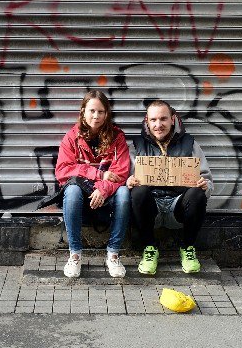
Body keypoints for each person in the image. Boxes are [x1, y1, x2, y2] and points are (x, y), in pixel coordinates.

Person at [126, 100, 214, 274]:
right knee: (138, 192)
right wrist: (128, 182)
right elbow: (125, 179)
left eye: (163, 119)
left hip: (178, 206)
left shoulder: (190, 144)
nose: (158, 125)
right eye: (153, 120)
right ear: (147, 121)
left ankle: (188, 248)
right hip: (152, 209)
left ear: (172, 119)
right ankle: (149, 248)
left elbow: (207, 179)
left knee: (197, 193)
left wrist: (205, 186)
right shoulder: (136, 146)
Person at [55, 90, 131, 278]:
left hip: (107, 194)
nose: (96, 116)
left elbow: (121, 173)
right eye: (92, 111)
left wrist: (102, 189)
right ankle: (75, 255)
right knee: (71, 191)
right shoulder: (72, 137)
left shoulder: (117, 138)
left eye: (101, 112)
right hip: (81, 194)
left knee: (124, 194)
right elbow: (62, 171)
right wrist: (98, 174)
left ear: (107, 114)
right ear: (83, 112)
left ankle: (113, 254)